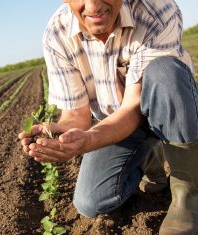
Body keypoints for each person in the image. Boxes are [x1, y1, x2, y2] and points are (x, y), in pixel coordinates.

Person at [18, 0, 198, 234]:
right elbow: (76, 114)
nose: (93, 6)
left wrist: (91, 140)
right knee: (90, 202)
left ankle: (189, 196)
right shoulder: (57, 33)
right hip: (118, 123)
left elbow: (133, 107)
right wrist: (61, 134)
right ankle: (149, 154)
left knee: (164, 72)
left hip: (174, 108)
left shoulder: (156, 10)